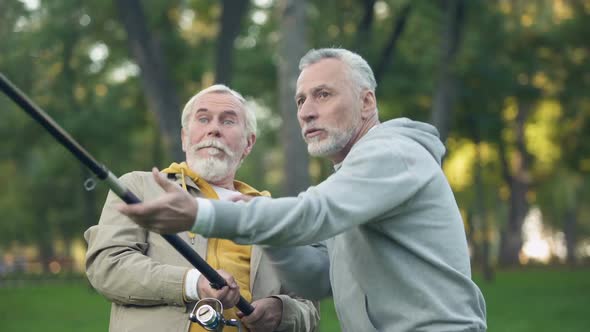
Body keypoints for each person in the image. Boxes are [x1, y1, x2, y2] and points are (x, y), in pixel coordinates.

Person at [119, 48, 488, 332]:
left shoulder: (392, 153)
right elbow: (316, 275)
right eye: (301, 100)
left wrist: (206, 213)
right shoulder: (349, 182)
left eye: (323, 94)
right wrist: (272, 248)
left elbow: (314, 213)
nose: (307, 111)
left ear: (366, 102)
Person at [85, 84, 321, 332]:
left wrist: (282, 310)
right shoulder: (137, 188)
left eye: (228, 121)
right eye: (203, 119)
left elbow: (309, 304)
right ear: (184, 137)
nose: (214, 129)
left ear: (249, 143)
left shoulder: (273, 213)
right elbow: (107, 266)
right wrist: (192, 283)